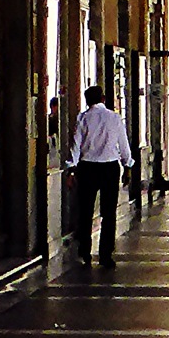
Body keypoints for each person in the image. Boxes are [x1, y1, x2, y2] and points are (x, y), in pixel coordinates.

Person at [65, 78, 132, 268]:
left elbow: (75, 146)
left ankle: (85, 252)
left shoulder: (82, 118)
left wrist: (71, 169)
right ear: (103, 98)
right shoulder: (115, 117)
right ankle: (105, 255)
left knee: (85, 211)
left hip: (87, 168)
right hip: (110, 168)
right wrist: (128, 165)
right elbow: (123, 144)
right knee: (109, 212)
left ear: (87, 101)